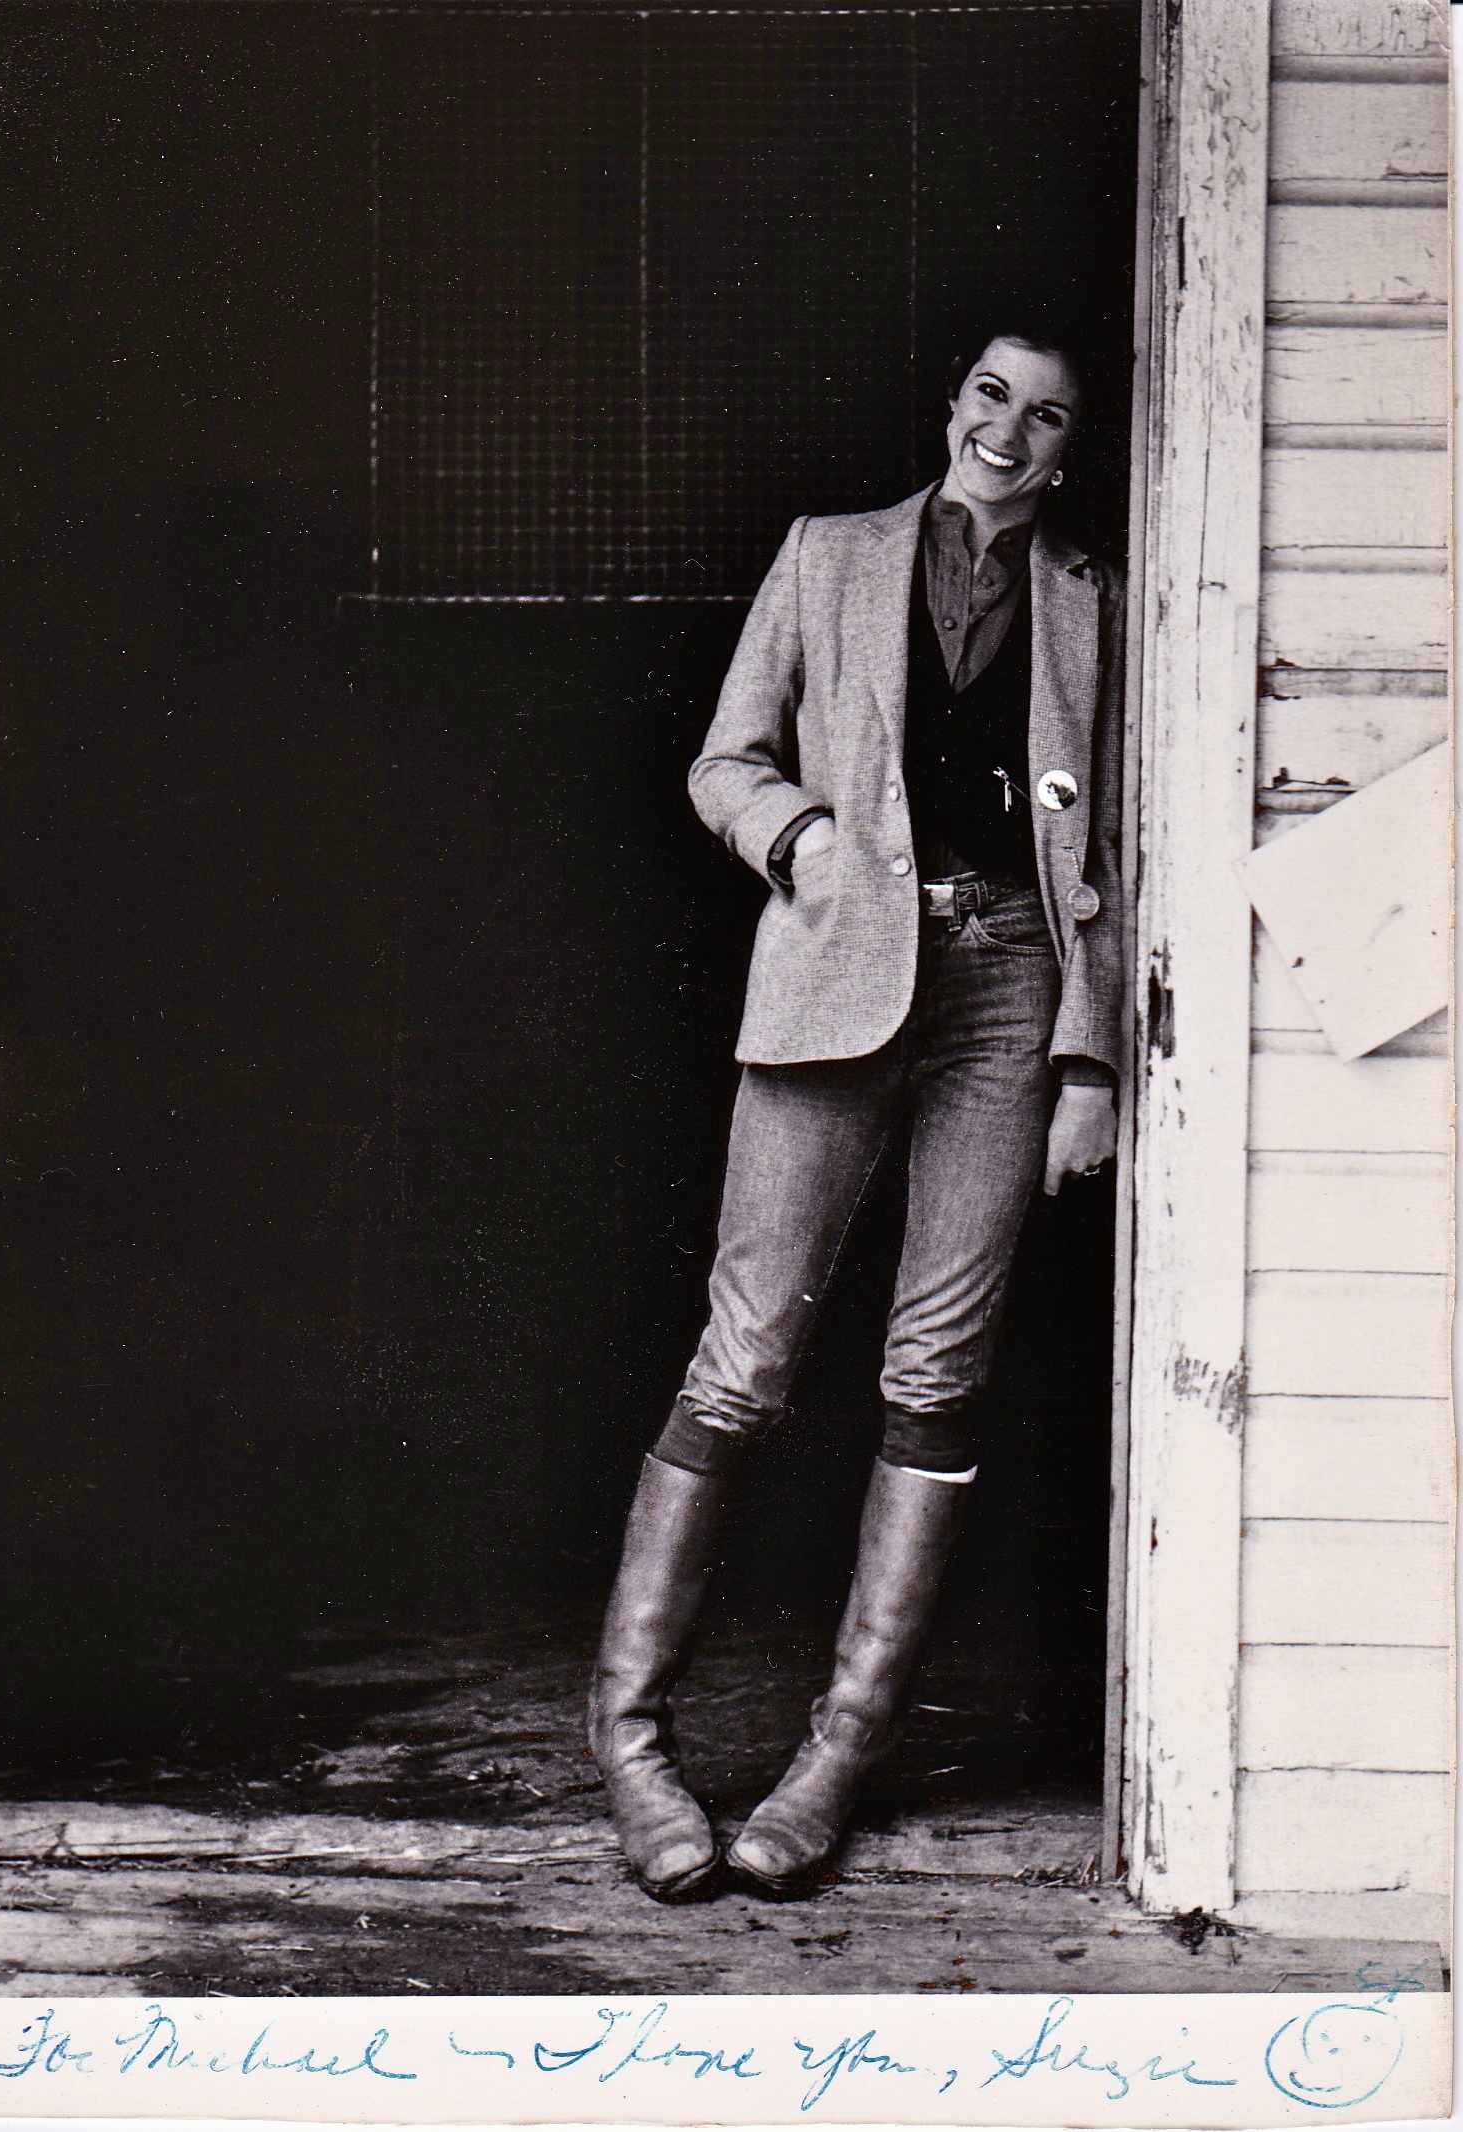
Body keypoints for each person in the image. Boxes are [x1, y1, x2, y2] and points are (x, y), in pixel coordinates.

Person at [588, 329, 1125, 1902]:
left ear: (1071, 449)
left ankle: (838, 1754)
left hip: (1009, 988)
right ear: (954, 402)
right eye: (991, 397)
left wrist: (1089, 1057)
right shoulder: (827, 555)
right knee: (745, 1361)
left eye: (1047, 417)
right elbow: (723, 761)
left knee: (936, 1374)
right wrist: (801, 839)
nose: (1009, 433)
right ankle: (630, 1741)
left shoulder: (1095, 600)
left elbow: (1115, 843)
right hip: (833, 974)